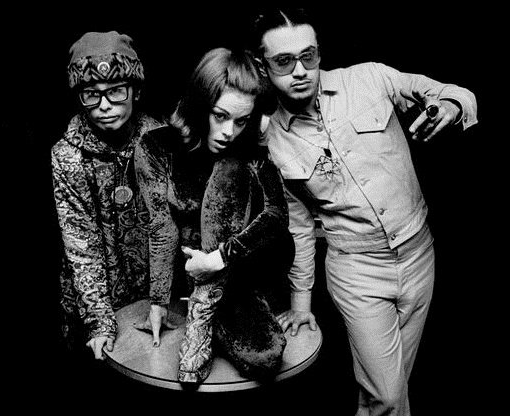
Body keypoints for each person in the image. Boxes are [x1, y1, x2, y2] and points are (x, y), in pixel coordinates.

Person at [251, 8, 478, 416]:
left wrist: (450, 106)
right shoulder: (274, 141)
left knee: (388, 392)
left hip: (419, 255)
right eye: (284, 62)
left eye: (308, 56)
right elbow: (298, 227)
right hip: (357, 271)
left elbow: (451, 92)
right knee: (387, 396)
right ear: (262, 66)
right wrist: (301, 303)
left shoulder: (370, 78)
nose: (300, 71)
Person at [134, 47, 294, 384]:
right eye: (220, 116)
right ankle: (201, 315)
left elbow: (277, 216)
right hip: (188, 275)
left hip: (236, 274)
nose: (229, 132)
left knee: (266, 358)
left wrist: (219, 258)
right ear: (200, 104)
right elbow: (161, 228)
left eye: (241, 120)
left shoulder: (249, 152)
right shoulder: (157, 146)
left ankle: (210, 305)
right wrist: (159, 301)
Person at [52, 31, 163, 363]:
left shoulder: (160, 141)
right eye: (91, 94)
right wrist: (99, 320)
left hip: (154, 297)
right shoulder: (67, 156)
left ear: (136, 91)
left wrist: (163, 297)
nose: (104, 105)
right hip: (96, 303)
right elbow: (80, 243)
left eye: (116, 91)